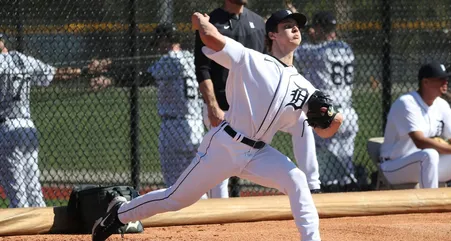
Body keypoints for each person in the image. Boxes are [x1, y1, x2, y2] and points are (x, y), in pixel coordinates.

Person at [91, 9, 343, 241]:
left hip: (258, 153)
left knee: (297, 179)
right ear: (272, 34)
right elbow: (211, 38)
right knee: (176, 198)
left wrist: (332, 117)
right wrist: (200, 20)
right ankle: (120, 212)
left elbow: (325, 129)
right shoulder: (251, 59)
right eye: (288, 26)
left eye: (297, 26)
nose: (296, 29)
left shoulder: (305, 86)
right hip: (225, 145)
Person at [195, 0, 321, 197]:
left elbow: (267, 64)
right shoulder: (213, 20)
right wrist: (212, 105)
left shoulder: (257, 22)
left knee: (301, 122)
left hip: (258, 107)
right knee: (220, 167)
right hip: (223, 105)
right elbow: (202, 68)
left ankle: (313, 186)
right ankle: (219, 209)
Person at [0, 33, 107, 208]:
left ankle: (24, 231)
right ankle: (43, 225)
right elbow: (56, 74)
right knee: (33, 185)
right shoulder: (20, 59)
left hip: (6, 127)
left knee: (16, 189)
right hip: (27, 127)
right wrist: (85, 71)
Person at [294, 11, 359, 190]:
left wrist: (301, 29)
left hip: (328, 112)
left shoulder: (316, 52)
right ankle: (349, 189)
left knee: (326, 165)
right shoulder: (346, 48)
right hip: (349, 112)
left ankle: (330, 194)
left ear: (319, 29)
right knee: (345, 162)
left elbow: (292, 49)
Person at [379, 62, 451, 188]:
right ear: (425, 82)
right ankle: (431, 204)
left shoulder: (442, 105)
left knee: (447, 157)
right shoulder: (407, 103)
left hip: (426, 163)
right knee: (430, 154)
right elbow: (420, 142)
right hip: (395, 165)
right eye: (440, 79)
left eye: (446, 79)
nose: (445, 82)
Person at [146, 23, 206, 194]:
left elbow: (142, 78)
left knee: (174, 186)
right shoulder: (191, 58)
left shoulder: (169, 60)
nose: (157, 48)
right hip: (197, 126)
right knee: (197, 183)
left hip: (174, 127)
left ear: (164, 40)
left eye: (158, 43)